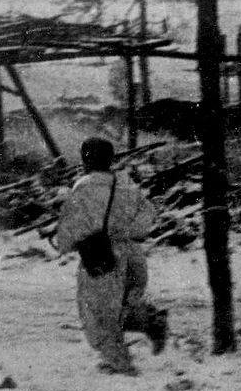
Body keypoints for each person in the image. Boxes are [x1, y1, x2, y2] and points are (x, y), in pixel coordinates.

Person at [53, 137, 167, 376]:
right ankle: (151, 321)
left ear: (85, 160)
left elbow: (67, 234)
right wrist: (125, 234)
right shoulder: (125, 185)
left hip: (103, 259)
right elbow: (149, 215)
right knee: (123, 306)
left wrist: (65, 244)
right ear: (110, 159)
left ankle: (121, 368)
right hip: (134, 257)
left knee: (99, 314)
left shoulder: (83, 188)